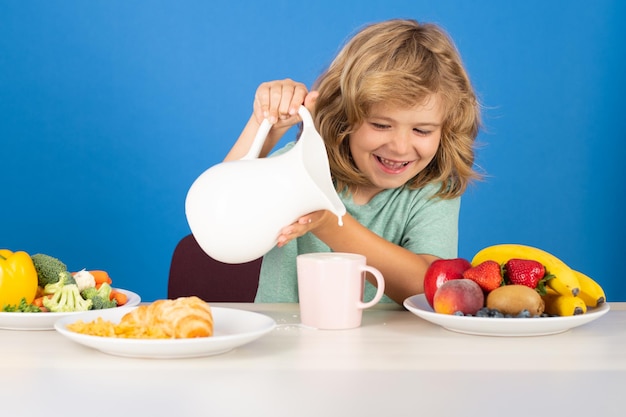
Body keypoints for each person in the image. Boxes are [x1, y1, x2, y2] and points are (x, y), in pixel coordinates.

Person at [226, 18, 481, 304]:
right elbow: (220, 218)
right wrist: (264, 128)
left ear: (447, 128)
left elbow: (429, 288)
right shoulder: (299, 168)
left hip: (394, 349)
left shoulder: (433, 190)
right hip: (286, 344)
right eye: (381, 125)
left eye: (422, 130)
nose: (399, 146)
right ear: (344, 117)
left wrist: (329, 223)